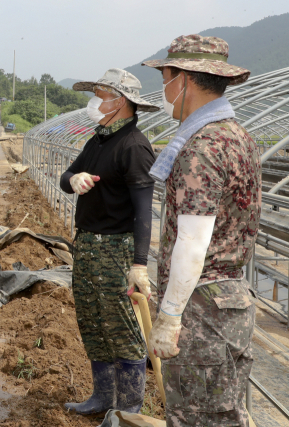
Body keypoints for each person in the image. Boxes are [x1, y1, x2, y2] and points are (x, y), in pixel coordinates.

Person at [142, 35, 259, 427]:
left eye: (166, 78)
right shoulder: (238, 137)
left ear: (185, 80)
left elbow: (193, 242)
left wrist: (171, 314)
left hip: (202, 310)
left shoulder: (202, 146)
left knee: (198, 417)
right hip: (230, 304)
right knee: (223, 414)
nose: (164, 89)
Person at [59, 69, 158, 415]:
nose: (95, 101)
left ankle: (128, 413)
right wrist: (75, 179)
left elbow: (145, 210)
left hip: (117, 250)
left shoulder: (134, 147)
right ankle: (103, 399)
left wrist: (140, 264)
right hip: (87, 245)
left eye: (101, 94)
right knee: (93, 323)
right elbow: (65, 176)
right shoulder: (97, 140)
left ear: (121, 102)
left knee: (123, 330)